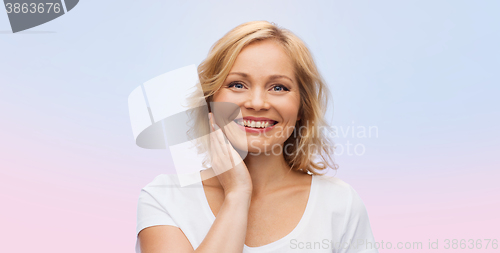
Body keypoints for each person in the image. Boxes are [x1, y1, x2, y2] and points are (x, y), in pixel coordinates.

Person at [135, 21, 378, 253]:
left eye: (279, 87)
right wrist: (237, 194)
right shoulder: (164, 196)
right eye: (238, 85)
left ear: (302, 108)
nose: (257, 103)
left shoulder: (339, 203)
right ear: (210, 101)